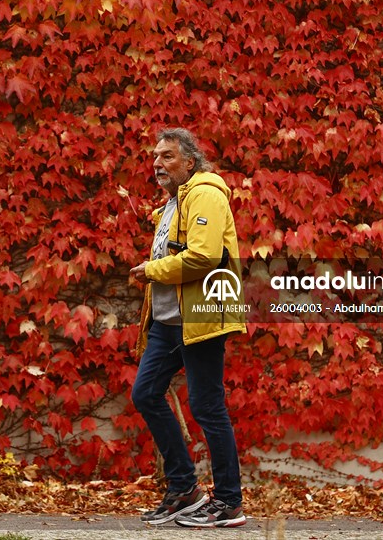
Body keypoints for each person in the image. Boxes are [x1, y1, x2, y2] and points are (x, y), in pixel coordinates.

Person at [129, 128, 247, 528]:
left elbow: (203, 256)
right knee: (145, 393)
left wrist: (150, 271)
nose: (157, 163)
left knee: (207, 406)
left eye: (167, 157)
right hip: (168, 319)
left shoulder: (207, 194)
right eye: (156, 156)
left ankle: (230, 502)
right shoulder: (172, 203)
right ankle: (184, 490)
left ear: (190, 162)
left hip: (201, 314)